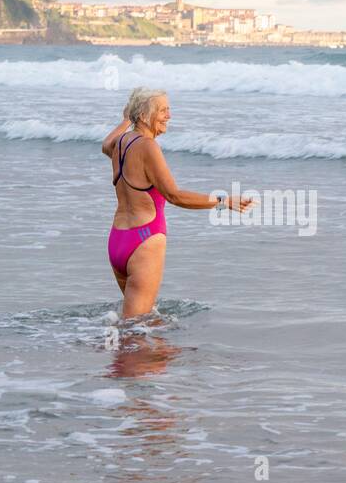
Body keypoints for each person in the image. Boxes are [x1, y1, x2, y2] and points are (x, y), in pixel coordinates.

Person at [101, 89, 253, 316]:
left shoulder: (122, 142)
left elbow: (105, 144)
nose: (169, 116)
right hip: (143, 242)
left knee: (142, 323)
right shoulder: (147, 146)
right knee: (134, 329)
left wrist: (126, 120)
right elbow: (174, 195)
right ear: (143, 116)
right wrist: (225, 202)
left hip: (118, 240)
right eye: (163, 110)